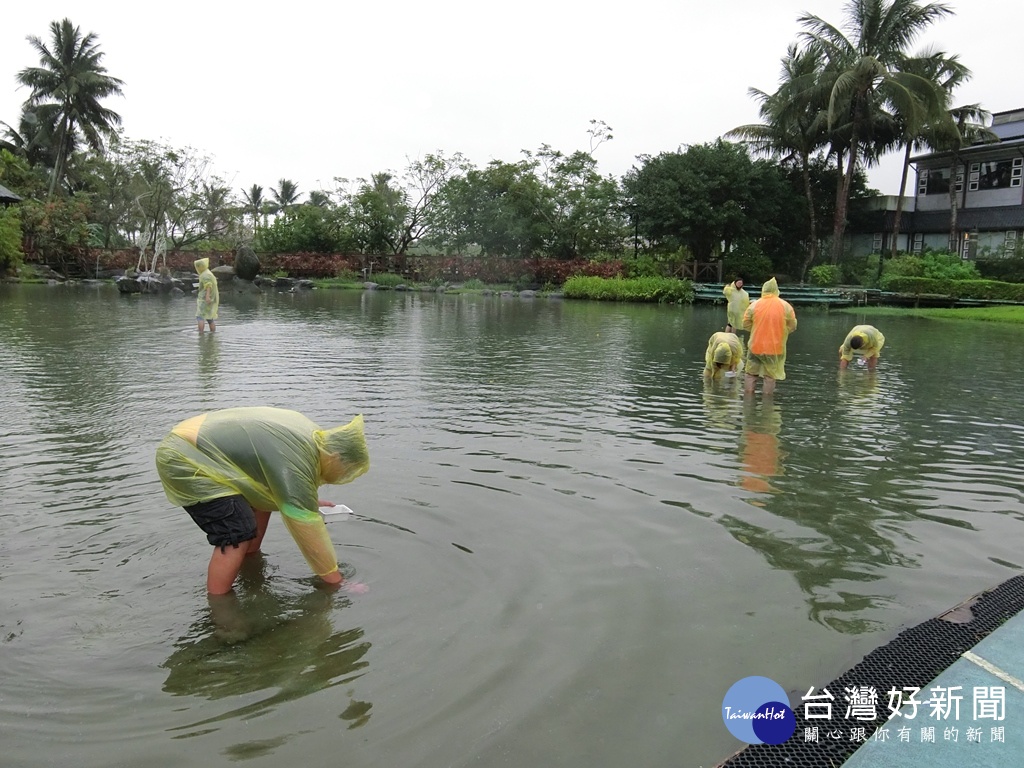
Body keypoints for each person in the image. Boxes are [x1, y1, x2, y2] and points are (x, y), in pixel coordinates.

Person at [155, 407, 370, 594]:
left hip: (196, 440)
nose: (341, 476)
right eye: (345, 470)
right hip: (185, 458)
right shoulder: (297, 456)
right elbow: (307, 528)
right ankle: (219, 606)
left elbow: (275, 487)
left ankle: (249, 559)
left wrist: (307, 501)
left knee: (261, 501)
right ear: (335, 457)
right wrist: (337, 581)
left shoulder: (311, 437)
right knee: (236, 532)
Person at [742, 277, 797, 396]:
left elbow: (745, 323)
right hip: (775, 347)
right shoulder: (786, 306)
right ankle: (767, 403)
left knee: (751, 374)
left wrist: (757, 330)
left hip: (755, 345)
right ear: (776, 290)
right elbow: (792, 326)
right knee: (770, 376)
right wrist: (780, 332)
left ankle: (748, 399)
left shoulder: (754, 305)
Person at [195, 257, 219, 333]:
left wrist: (207, 296)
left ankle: (200, 334)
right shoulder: (208, 273)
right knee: (209, 317)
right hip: (211, 298)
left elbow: (208, 285)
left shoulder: (205, 275)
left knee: (200, 317)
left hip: (205, 299)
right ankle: (212, 334)